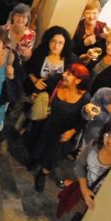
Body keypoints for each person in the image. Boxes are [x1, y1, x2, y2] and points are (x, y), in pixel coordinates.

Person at [50, 121, 111, 221]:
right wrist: (84, 189)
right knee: (78, 211)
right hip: (85, 188)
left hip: (100, 199)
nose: (110, 140)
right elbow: (80, 165)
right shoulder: (94, 145)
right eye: (108, 134)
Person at [27, 63, 91, 192]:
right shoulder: (56, 82)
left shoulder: (85, 99)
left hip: (62, 133)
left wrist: (72, 132)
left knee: (52, 155)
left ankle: (43, 174)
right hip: (45, 124)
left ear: (78, 80)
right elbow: (41, 90)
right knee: (37, 145)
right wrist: (36, 94)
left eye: (69, 74)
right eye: (66, 71)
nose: (64, 75)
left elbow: (82, 120)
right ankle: (35, 160)